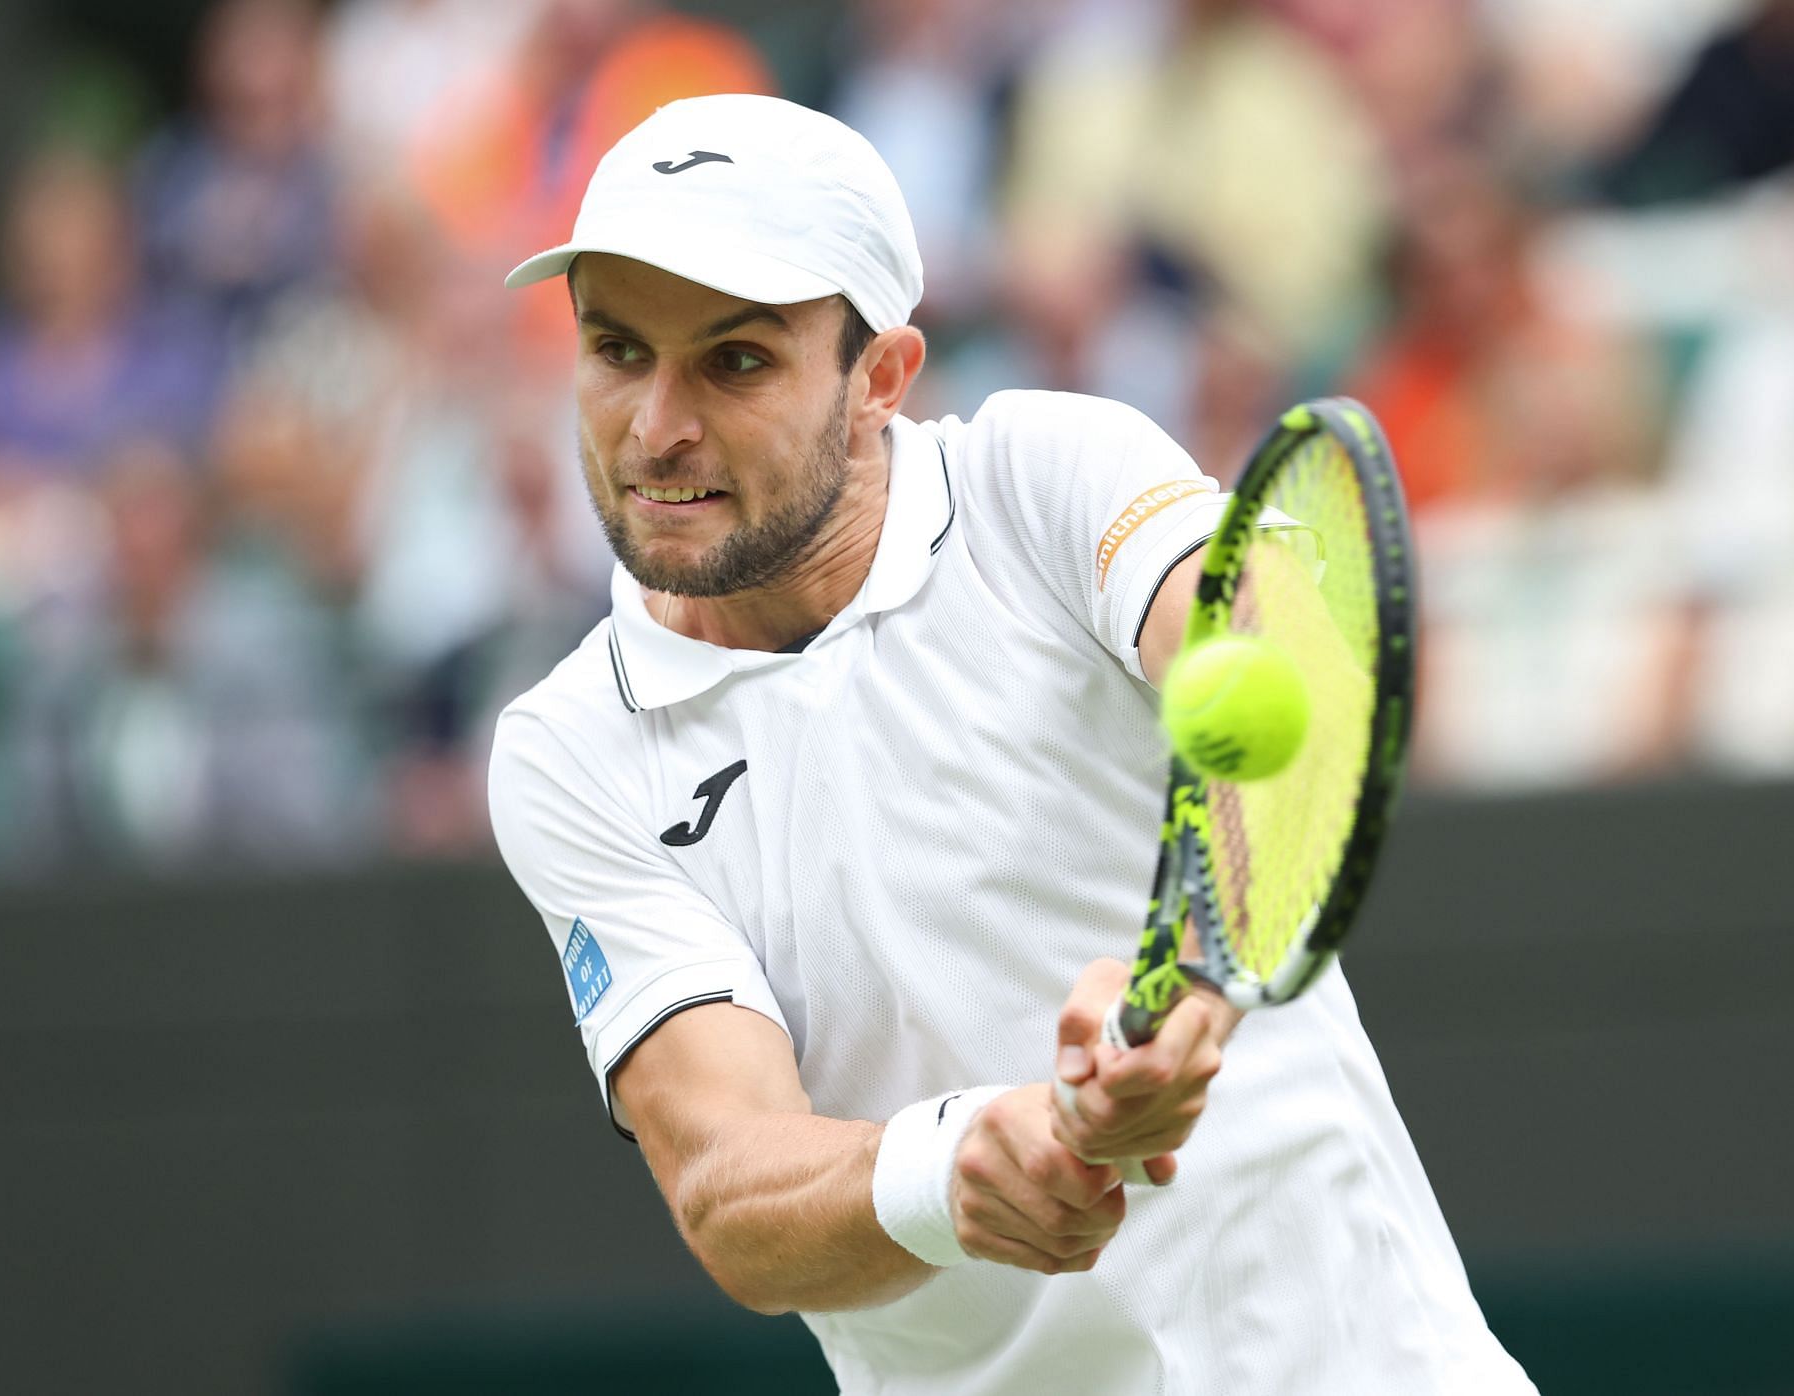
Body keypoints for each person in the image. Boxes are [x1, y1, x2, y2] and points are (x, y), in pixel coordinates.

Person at [487, 93, 1535, 1394]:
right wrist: (967, 1161)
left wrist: (1197, 987)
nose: (655, 427)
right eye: (616, 349)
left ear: (879, 382)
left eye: (736, 362)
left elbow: (1268, 657)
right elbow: (728, 1185)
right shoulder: (568, 753)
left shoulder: (1049, 473)